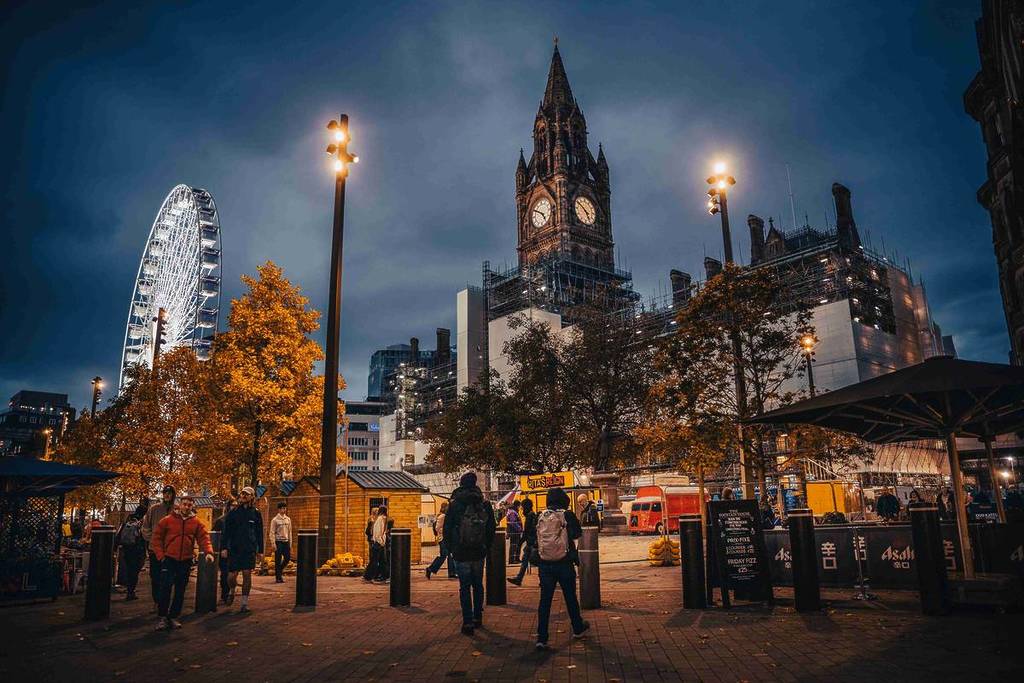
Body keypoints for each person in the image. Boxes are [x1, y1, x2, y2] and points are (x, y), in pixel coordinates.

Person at [534, 486, 589, 649]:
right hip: (564, 562)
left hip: (545, 564)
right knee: (570, 597)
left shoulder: (541, 516)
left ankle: (542, 638)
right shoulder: (566, 515)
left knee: (545, 601)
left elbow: (534, 538)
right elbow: (577, 534)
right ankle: (578, 627)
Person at [151, 494, 214, 631]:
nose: (186, 507)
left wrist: (208, 552)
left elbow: (204, 537)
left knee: (180, 590)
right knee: (165, 588)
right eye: (184, 504)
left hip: (185, 560)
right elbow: (156, 538)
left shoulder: (196, 522)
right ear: (179, 504)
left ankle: (173, 616)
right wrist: (161, 556)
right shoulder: (167, 520)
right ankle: (162, 617)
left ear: (192, 506)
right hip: (169, 559)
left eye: (189, 505)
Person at [444, 472, 495, 635]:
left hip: (460, 552)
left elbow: (447, 527)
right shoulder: (484, 503)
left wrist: (451, 548)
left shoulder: (455, 504)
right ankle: (477, 617)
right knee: (478, 585)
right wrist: (486, 546)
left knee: (464, 587)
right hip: (479, 551)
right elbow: (491, 528)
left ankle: (467, 621)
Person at [222, 486, 264, 612]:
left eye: (247, 494)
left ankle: (244, 603)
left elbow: (259, 533)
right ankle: (232, 590)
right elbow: (226, 532)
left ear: (252, 497)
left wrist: (260, 551)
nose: (244, 496)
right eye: (242, 494)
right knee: (231, 576)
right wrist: (224, 547)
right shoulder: (233, 513)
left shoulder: (256, 513)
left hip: (249, 549)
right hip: (235, 549)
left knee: (247, 574)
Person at [142, 485, 176, 606]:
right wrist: (152, 540)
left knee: (168, 576)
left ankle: (164, 601)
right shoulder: (154, 509)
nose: (167, 495)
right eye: (165, 492)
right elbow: (145, 527)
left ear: (173, 495)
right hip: (155, 549)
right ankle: (157, 600)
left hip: (171, 550)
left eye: (169, 493)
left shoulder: (176, 510)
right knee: (155, 576)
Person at [115, 505, 147, 600]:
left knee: (129, 570)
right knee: (135, 571)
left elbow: (119, 534)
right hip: (137, 550)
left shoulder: (128, 520)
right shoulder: (142, 522)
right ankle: (131, 592)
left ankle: (129, 589)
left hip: (127, 549)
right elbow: (144, 536)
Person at [507, 498, 537, 586]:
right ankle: (519, 578)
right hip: (532, 542)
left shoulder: (529, 516)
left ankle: (519, 578)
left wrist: (521, 541)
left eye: (523, 507)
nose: (522, 509)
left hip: (531, 542)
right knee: (525, 560)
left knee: (530, 560)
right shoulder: (532, 514)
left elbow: (526, 531)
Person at [212, 498, 235, 603]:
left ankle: (230, 592)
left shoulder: (239, 520)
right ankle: (225, 594)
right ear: (228, 507)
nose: (234, 507)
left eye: (236, 505)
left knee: (233, 573)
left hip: (235, 550)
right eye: (232, 505)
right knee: (225, 573)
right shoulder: (221, 521)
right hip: (224, 550)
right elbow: (214, 537)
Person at [426, 502, 456, 579]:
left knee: (450, 555)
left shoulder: (446, 516)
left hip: (447, 538)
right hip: (443, 539)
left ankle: (452, 573)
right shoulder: (442, 516)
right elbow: (437, 528)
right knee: (444, 555)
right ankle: (430, 569)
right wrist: (446, 530)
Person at [365, 506, 390, 583]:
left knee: (380, 560)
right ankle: (371, 576)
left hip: (378, 542)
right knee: (377, 560)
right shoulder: (381, 519)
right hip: (379, 543)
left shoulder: (379, 519)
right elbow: (379, 532)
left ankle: (380, 576)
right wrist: (381, 541)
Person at [271, 501, 293, 583]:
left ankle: (279, 571)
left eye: (285, 508)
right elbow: (272, 532)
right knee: (278, 559)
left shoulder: (288, 519)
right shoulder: (275, 520)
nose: (284, 510)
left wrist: (290, 543)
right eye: (282, 508)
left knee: (287, 558)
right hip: (278, 542)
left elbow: (290, 531)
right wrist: (273, 543)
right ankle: (278, 577)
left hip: (286, 541)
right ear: (279, 509)